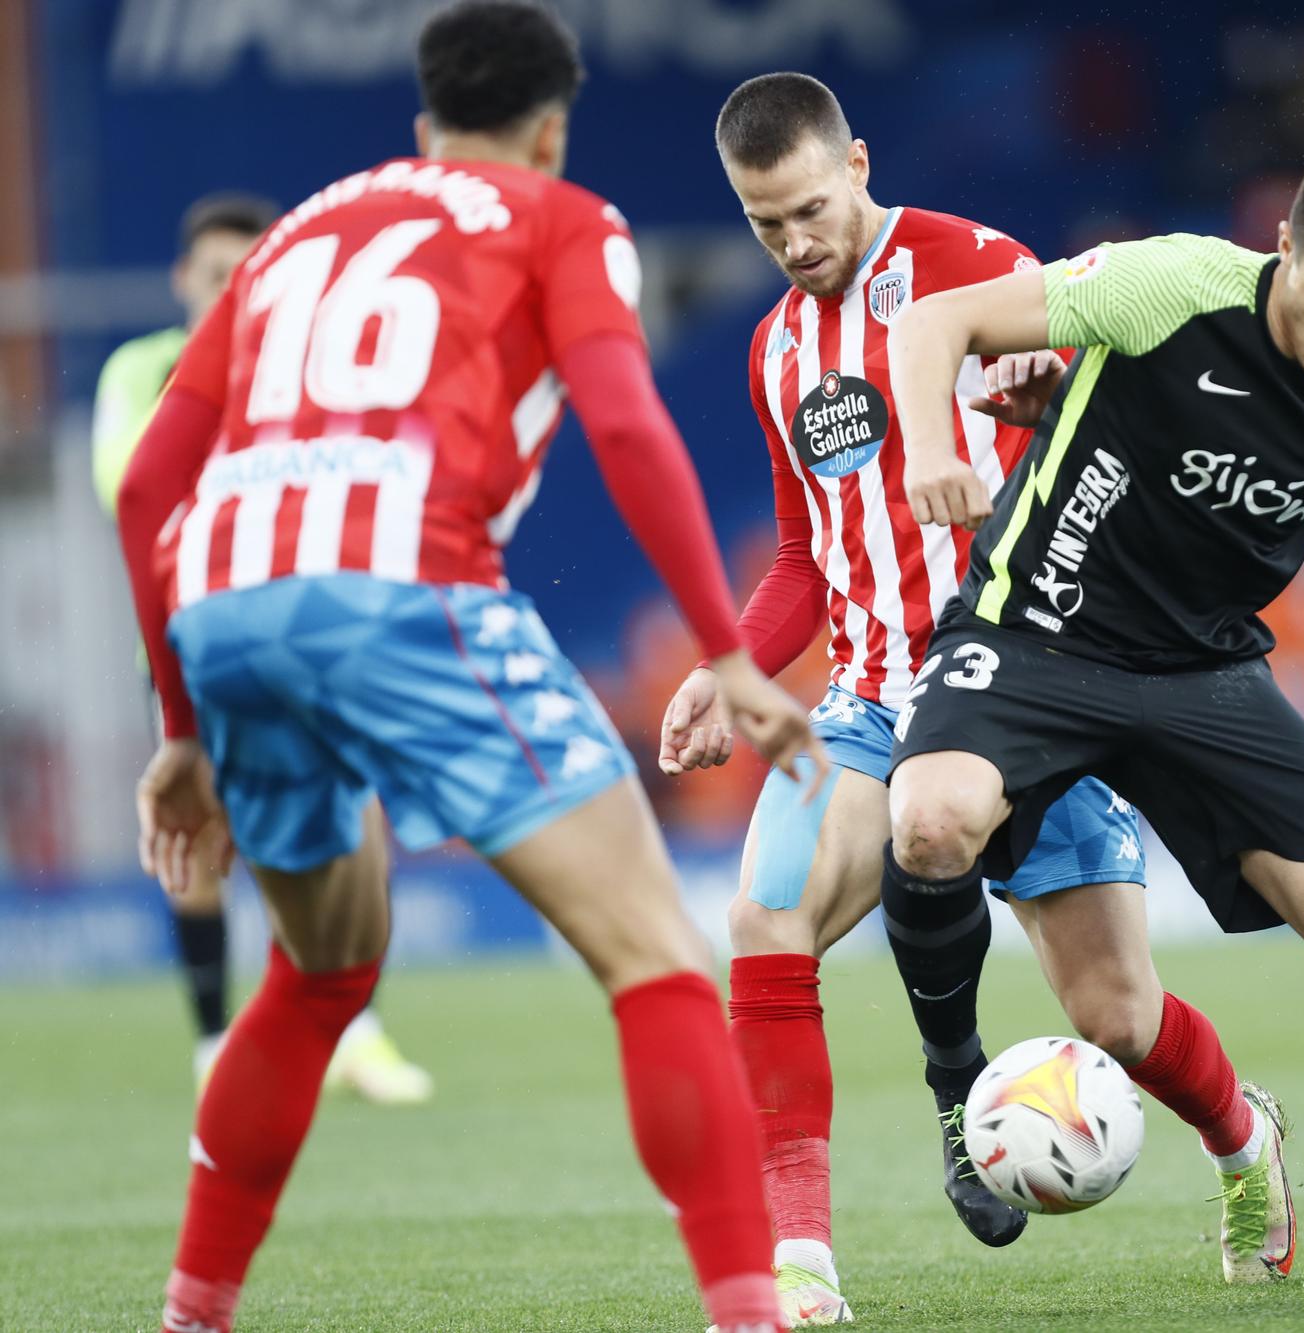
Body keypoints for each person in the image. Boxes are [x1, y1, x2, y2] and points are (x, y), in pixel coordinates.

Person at [112, 6, 826, 1331]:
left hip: (225, 601)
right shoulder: (561, 220)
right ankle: (748, 1313)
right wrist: (726, 652)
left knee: (319, 972)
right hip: (405, 587)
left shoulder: (295, 234)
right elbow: (621, 418)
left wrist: (181, 727)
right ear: (552, 127)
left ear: (420, 119)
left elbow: (152, 479)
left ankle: (191, 1312)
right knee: (657, 958)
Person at [878, 147, 1304, 1288]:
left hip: (1203, 675)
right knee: (930, 820)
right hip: (1035, 630)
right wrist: (938, 456)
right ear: (1282, 248)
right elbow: (930, 323)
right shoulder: (1168, 285)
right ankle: (959, 1100)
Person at [659, 73, 1253, 1326]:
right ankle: (803, 1260)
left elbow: (1111, 441)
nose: (796, 244)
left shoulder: (978, 267)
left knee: (1118, 1014)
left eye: (810, 210)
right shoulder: (778, 349)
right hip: (871, 700)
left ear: (859, 163)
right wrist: (728, 669)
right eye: (766, 226)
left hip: (1030, 690)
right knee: (766, 928)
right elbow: (803, 560)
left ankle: (1244, 1143)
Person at [93, 192, 433, 1104]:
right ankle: (213, 1039)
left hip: (309, 633)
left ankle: (353, 1026)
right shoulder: (144, 368)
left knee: (352, 822)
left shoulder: (308, 371)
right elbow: (129, 480)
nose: (232, 293)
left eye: (250, 275)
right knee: (204, 838)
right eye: (216, 277)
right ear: (183, 282)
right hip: (187, 645)